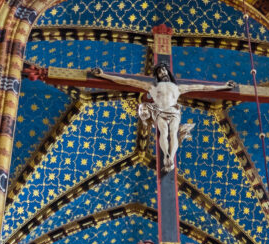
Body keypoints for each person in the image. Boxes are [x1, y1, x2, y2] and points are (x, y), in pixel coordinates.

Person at [88, 64, 235, 172]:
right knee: (164, 133)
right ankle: (166, 156)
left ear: (168, 72)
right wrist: (103, 75)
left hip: (173, 111)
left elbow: (202, 87)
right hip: (159, 112)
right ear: (157, 75)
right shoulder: (152, 87)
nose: (162, 72)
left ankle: (171, 157)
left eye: (164, 70)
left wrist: (224, 86)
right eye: (159, 71)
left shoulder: (178, 88)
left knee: (173, 133)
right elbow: (126, 81)